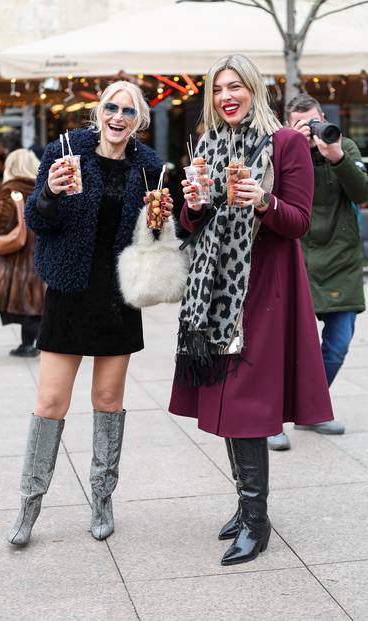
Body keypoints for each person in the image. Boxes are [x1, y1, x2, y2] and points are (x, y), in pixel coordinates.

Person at [168, 54, 334, 566]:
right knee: (224, 400)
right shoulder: (210, 144)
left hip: (264, 292)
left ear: (254, 90)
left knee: (243, 405)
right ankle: (245, 509)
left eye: (235, 86)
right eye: (218, 89)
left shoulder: (285, 142)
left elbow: (299, 221)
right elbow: (191, 223)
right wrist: (193, 202)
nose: (226, 96)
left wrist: (263, 201)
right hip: (214, 295)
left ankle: (256, 522)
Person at [8, 81, 173, 546]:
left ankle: (102, 498)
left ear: (139, 120)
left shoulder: (150, 169)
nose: (117, 116)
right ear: (97, 112)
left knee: (106, 400)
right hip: (69, 291)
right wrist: (50, 195)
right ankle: (29, 504)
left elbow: (158, 235)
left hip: (118, 297)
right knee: (51, 403)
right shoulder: (65, 151)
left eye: (128, 110)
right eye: (110, 107)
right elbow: (40, 222)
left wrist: (157, 220)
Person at [268, 94, 367, 451]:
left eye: (314, 122)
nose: (311, 131)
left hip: (340, 260)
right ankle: (271, 417)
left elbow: (364, 194)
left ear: (323, 117)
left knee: (337, 345)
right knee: (283, 346)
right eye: (301, 125)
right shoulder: (278, 150)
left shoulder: (344, 146)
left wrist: (336, 156)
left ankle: (311, 408)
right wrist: (294, 148)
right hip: (297, 259)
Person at [0, 149, 45, 357]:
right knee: (35, 302)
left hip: (15, 258)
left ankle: (28, 345)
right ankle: (31, 343)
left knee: (20, 301)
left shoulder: (9, 192)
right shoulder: (43, 189)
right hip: (40, 255)